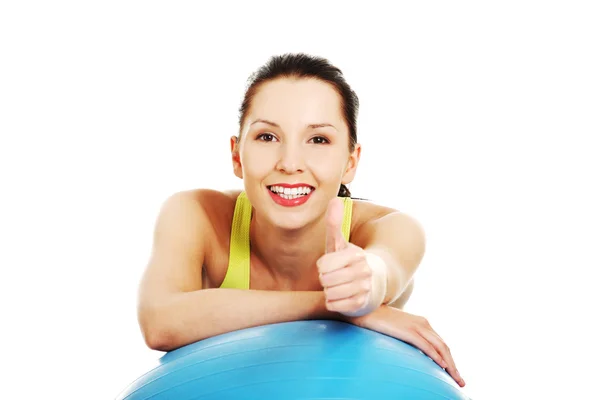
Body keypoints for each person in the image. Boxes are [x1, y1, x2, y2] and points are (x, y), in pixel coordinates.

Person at [137, 53, 465, 387]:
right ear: (237, 155)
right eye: (267, 137)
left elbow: (384, 268)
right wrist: (329, 305)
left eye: (318, 139)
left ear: (351, 162)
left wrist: (367, 283)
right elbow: (160, 321)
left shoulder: (391, 227)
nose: (290, 163)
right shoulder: (197, 214)